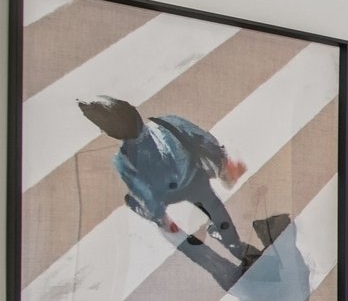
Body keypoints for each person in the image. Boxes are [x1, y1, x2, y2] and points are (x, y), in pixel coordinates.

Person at [76, 96, 257, 265]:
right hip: (193, 179)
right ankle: (234, 245)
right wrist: (221, 159)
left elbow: (145, 192)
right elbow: (203, 139)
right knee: (214, 207)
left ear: (109, 132)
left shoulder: (122, 160)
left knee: (141, 202)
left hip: (164, 194)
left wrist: (159, 216)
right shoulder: (167, 123)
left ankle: (142, 210)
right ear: (133, 111)